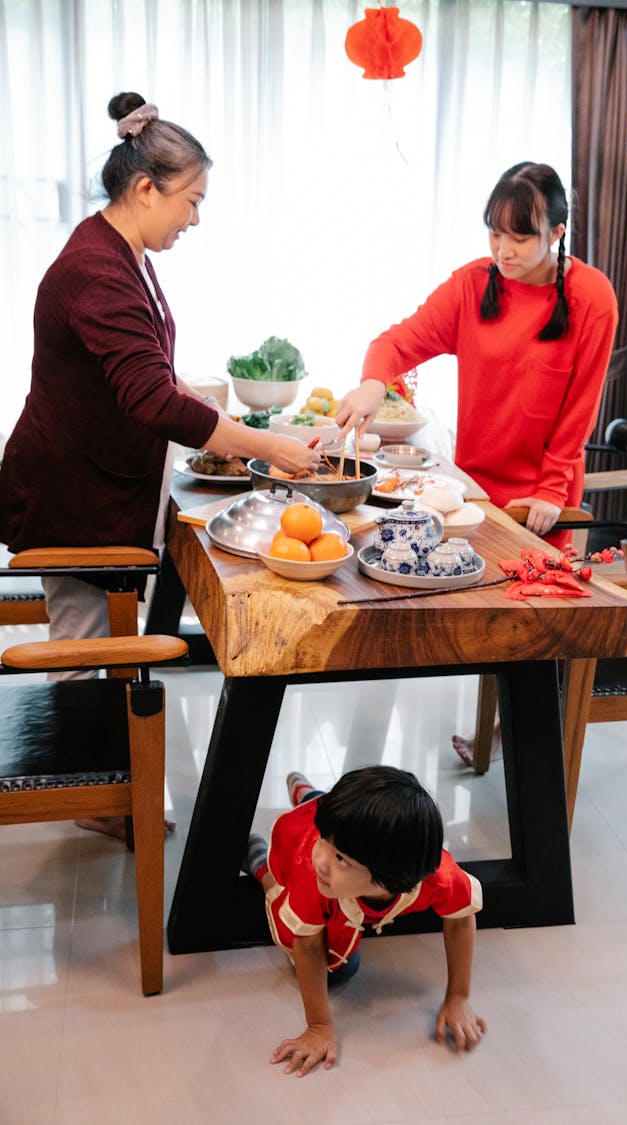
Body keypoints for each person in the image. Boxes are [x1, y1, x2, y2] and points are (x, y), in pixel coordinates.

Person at [0, 91, 319, 837]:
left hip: (97, 475)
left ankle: (106, 784)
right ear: (146, 189)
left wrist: (225, 419)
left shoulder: (121, 252)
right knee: (82, 635)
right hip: (70, 490)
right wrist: (266, 447)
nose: (195, 218)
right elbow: (147, 396)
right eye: (191, 200)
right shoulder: (95, 269)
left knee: (94, 626)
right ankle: (98, 798)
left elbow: (146, 369)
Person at [335, 161, 618, 765]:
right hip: (475, 500)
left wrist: (548, 490)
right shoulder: (473, 286)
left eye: (520, 236)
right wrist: (370, 383)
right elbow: (399, 340)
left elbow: (580, 407)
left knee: (540, 636)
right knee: (466, 620)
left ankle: (529, 756)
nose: (503, 250)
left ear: (558, 233)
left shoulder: (591, 298)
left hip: (546, 502)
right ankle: (475, 739)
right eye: (495, 233)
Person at [244, 766, 486, 1076]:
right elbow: (307, 946)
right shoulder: (314, 872)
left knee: (340, 828)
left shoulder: (440, 878)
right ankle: (261, 862)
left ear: (387, 882)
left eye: (341, 859)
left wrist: (458, 997)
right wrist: (319, 1026)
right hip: (297, 842)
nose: (323, 860)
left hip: (338, 835)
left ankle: (313, 798)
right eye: (325, 841)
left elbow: (460, 920)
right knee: (340, 968)